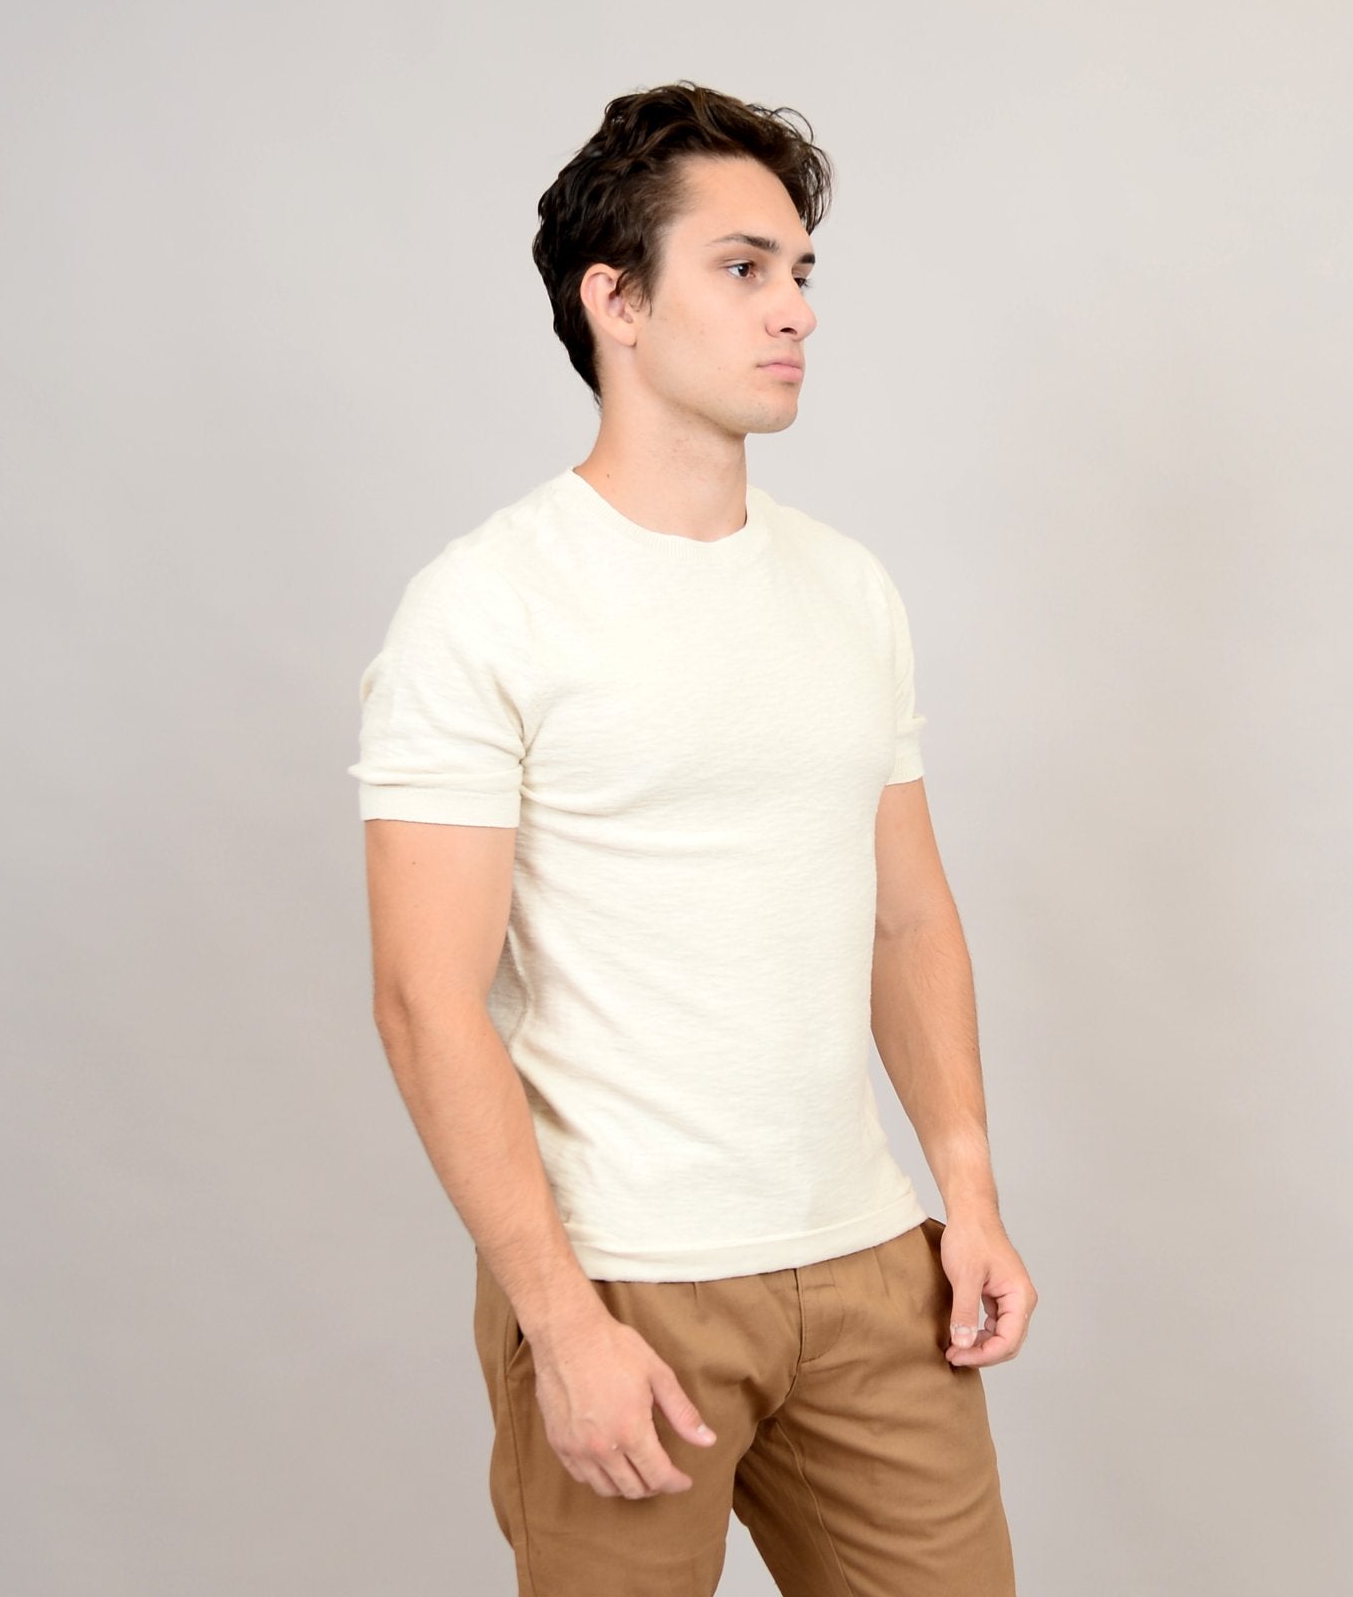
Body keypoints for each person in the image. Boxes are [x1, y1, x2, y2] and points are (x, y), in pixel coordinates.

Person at [348, 80, 1035, 1597]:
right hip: (623, 1278)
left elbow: (907, 917)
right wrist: (558, 1319)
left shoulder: (848, 589)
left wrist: (969, 1194)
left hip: (871, 1264)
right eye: (741, 267)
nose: (795, 308)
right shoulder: (487, 605)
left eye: (800, 269)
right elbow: (422, 998)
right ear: (617, 301)